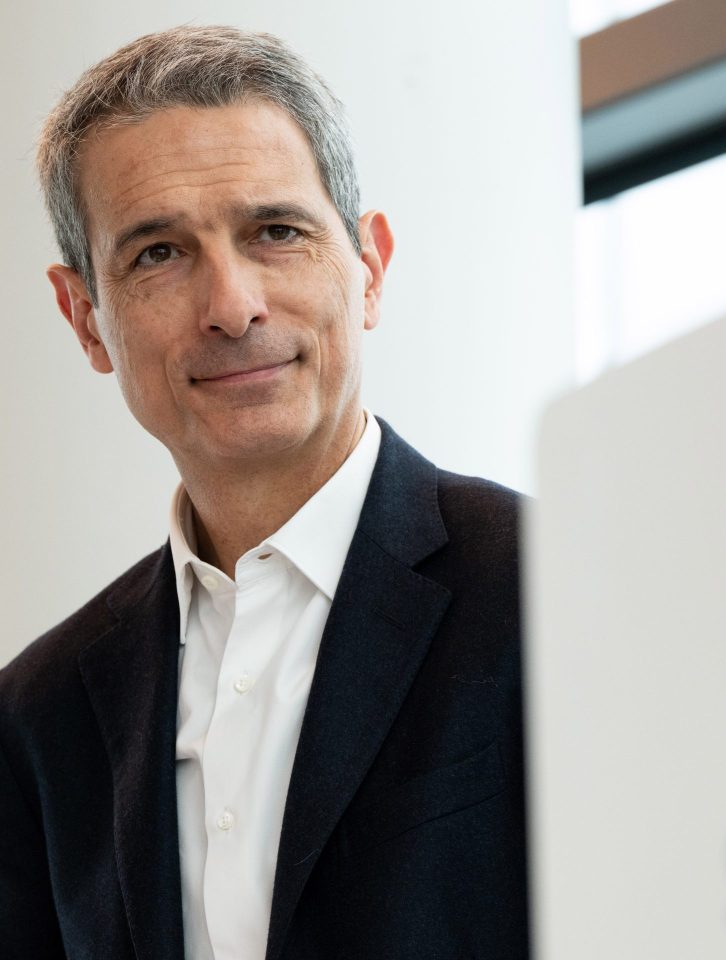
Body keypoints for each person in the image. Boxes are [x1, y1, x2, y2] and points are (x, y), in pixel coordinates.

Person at [0, 25, 529, 960]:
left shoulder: (547, 585)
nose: (233, 305)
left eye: (275, 232)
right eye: (158, 254)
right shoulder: (36, 721)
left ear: (368, 269)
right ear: (86, 319)